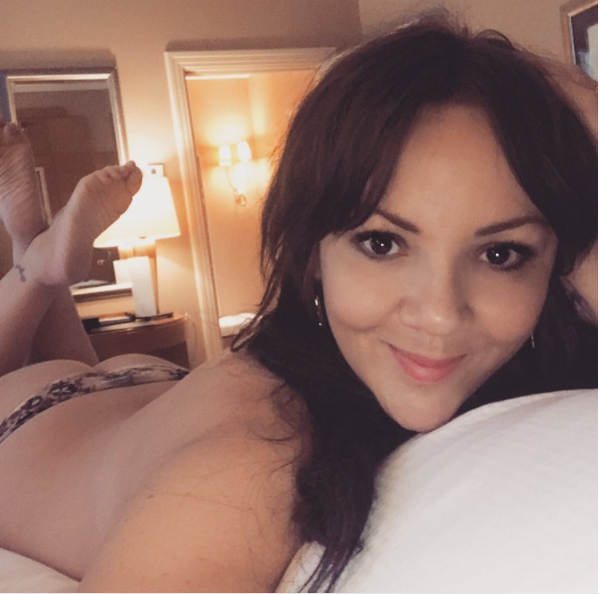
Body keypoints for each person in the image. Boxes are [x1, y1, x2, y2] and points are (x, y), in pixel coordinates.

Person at [0, 13, 597, 593]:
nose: (440, 314)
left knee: (59, 358)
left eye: (501, 254)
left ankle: (37, 256)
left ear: (556, 264)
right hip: (21, 419)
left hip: (131, 400)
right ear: (312, 254)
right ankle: (36, 262)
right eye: (382, 243)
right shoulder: (246, 473)